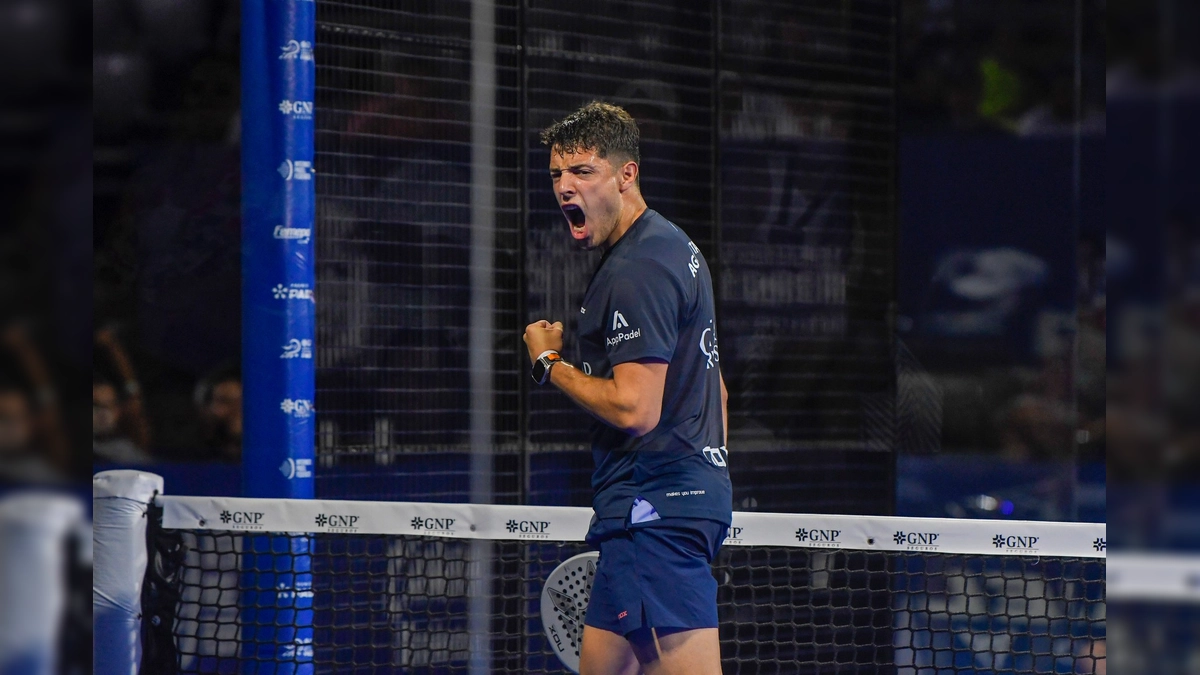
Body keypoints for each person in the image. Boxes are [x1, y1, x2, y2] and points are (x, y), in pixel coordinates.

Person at [523, 102, 731, 675]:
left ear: (626, 174)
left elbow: (636, 409)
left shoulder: (638, 268)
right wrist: (705, 486)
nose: (565, 187)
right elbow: (717, 389)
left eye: (583, 172)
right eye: (556, 176)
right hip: (652, 512)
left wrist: (549, 364)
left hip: (652, 515)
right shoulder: (674, 248)